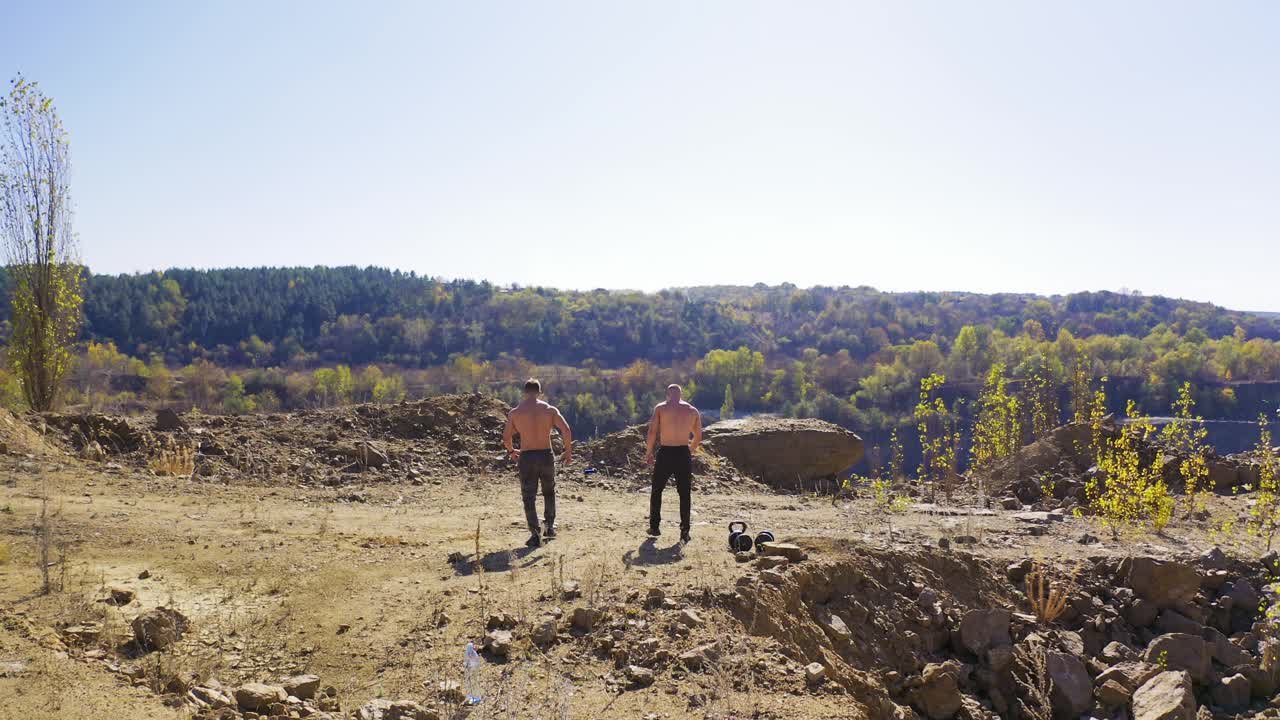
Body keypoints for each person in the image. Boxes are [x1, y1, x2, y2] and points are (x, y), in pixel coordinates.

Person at [503, 379, 573, 547]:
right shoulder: (549, 410)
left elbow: (506, 437)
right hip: (545, 454)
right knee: (549, 491)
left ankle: (535, 534)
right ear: (540, 392)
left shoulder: (516, 413)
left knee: (529, 496)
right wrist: (568, 451)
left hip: (527, 456)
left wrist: (512, 451)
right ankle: (549, 527)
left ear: (525, 393)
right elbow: (566, 430)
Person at [644, 383, 702, 543]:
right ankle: (685, 531)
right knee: (684, 493)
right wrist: (690, 450)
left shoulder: (661, 408)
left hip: (666, 452)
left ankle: (654, 527)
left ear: (668, 394)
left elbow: (652, 432)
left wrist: (648, 452)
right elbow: (698, 435)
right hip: (683, 451)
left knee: (657, 490)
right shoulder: (692, 410)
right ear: (681, 394)